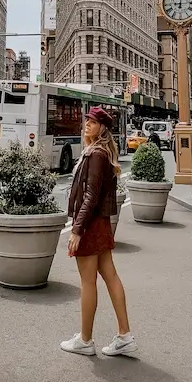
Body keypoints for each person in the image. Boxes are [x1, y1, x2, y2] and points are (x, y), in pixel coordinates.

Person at [62, 107, 137, 357]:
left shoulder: (96, 154)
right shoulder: (101, 152)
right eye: (87, 121)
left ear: (102, 128)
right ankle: (125, 336)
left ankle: (85, 340)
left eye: (93, 122)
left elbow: (91, 195)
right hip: (100, 222)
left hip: (91, 223)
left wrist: (77, 229)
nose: (87, 125)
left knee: (87, 281)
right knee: (110, 276)